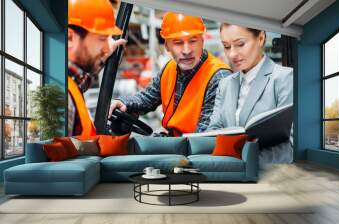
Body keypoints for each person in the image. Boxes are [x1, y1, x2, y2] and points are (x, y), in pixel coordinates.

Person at [109, 12, 232, 136]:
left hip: (196, 151)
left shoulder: (218, 77)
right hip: (179, 145)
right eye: (178, 43)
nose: (186, 50)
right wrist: (122, 102)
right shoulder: (169, 68)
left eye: (193, 41)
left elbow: (205, 137)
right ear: (167, 46)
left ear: (202, 41)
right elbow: (146, 98)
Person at [207, 23, 293, 164]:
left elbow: (291, 144)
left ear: (260, 38)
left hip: (266, 174)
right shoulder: (225, 85)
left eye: (240, 44)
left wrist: (246, 162)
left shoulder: (284, 78)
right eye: (227, 46)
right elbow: (213, 131)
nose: (232, 54)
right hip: (226, 169)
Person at [67, 0, 126, 139]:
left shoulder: (71, 83)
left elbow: (81, 81)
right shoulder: (62, 96)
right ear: (70, 37)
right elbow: (59, 159)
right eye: (102, 39)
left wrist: (101, 58)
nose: (106, 48)